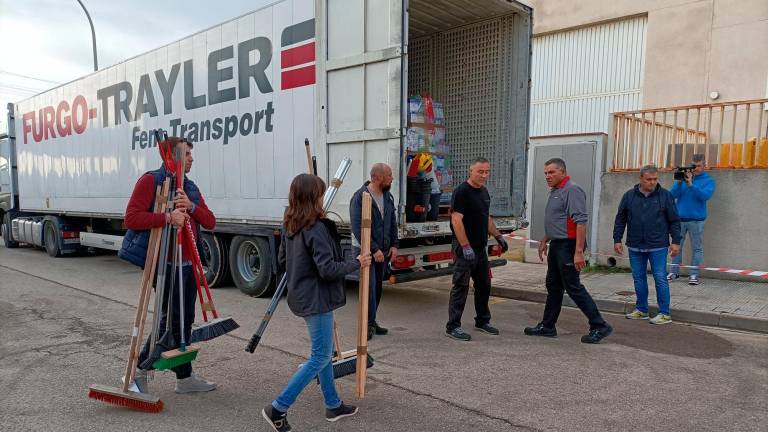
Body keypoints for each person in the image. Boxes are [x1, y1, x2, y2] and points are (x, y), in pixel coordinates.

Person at [262, 174, 372, 432]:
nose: (323, 197)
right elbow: (328, 269)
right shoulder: (316, 227)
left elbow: (281, 261)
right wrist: (358, 262)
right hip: (317, 298)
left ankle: (333, 405)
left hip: (301, 295)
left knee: (322, 353)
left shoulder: (291, 222)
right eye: (320, 193)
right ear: (314, 197)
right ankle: (277, 407)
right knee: (320, 355)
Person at [120, 137, 217, 393]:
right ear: (172, 157)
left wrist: (191, 206)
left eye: (191, 154)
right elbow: (131, 219)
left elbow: (210, 221)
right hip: (164, 264)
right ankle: (139, 371)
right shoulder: (151, 181)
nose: (191, 158)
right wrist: (167, 216)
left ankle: (184, 379)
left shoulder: (190, 186)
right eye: (186, 154)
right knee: (168, 323)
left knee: (185, 322)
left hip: (188, 264)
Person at [524, 158, 613, 344]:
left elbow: (580, 221)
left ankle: (599, 325)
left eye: (552, 172)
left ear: (563, 172)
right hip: (557, 244)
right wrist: (546, 238)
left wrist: (578, 251)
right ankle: (547, 326)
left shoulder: (572, 190)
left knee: (573, 287)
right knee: (553, 286)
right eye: (546, 173)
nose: (547, 176)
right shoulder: (557, 190)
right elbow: (558, 219)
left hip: (569, 246)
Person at [445, 157, 508, 341]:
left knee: (484, 286)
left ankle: (482, 321)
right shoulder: (462, 191)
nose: (484, 175)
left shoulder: (484, 192)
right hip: (464, 249)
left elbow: (486, 218)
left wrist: (498, 236)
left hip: (480, 249)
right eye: (480, 171)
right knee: (461, 286)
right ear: (470, 171)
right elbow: (456, 220)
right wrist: (465, 246)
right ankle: (453, 326)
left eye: (487, 172)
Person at [613, 165, 681, 325]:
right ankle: (642, 309)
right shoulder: (629, 196)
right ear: (641, 179)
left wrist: (676, 242)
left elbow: (674, 220)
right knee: (638, 278)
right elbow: (620, 218)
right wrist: (617, 239)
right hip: (635, 246)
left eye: (655, 179)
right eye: (649, 179)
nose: (652, 182)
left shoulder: (665, 196)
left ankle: (664, 313)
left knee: (660, 278)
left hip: (658, 245)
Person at [350, 163, 398, 340]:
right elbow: (357, 227)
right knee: (368, 288)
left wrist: (394, 245)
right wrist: (374, 248)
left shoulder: (387, 196)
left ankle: (372, 321)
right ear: (377, 177)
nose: (392, 179)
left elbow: (392, 222)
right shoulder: (360, 197)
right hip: (365, 251)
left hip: (383, 251)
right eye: (389, 176)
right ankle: (366, 326)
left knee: (377, 289)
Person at [668, 154, 716, 285]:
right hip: (679, 219)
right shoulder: (684, 178)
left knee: (697, 248)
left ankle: (693, 275)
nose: (695, 168)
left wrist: (691, 184)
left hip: (697, 221)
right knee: (677, 246)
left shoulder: (709, 181)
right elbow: (672, 195)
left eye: (698, 166)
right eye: (693, 165)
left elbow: (704, 196)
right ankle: (674, 272)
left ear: (704, 166)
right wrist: (679, 182)